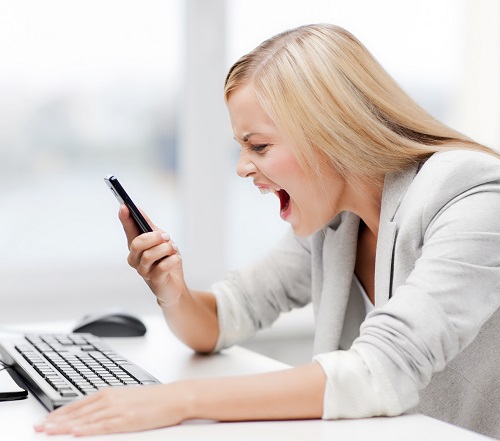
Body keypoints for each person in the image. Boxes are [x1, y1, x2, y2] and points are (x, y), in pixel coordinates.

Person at [35, 23, 500, 438]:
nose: (242, 167)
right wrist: (171, 289)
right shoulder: (336, 222)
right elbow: (223, 319)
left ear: (331, 131)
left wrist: (176, 400)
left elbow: (383, 368)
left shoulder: (471, 194)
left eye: (258, 146)